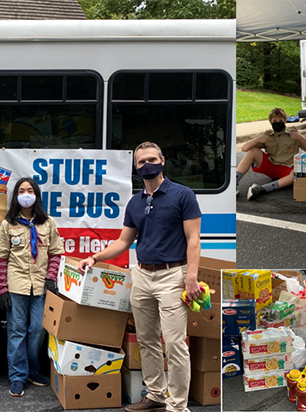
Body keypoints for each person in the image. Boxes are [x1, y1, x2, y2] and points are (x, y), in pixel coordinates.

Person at [77, 141, 202, 412]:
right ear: (135, 167)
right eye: (142, 162)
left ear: (163, 160)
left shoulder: (183, 195)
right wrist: (94, 258)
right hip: (143, 275)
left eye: (152, 159)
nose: (147, 165)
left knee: (175, 343)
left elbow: (194, 239)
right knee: (146, 341)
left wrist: (191, 277)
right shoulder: (135, 201)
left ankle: (178, 406)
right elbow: (123, 241)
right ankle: (156, 394)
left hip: (173, 276)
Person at [0, 177, 63, 397]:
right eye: (21, 190)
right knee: (16, 331)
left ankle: (32, 369)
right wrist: (2, 289)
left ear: (36, 195)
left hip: (41, 286)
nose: (26, 194)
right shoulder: (8, 224)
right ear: (16, 196)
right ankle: (17, 376)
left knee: (38, 331)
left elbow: (55, 253)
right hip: (16, 285)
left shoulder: (48, 223)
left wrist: (51, 278)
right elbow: (2, 259)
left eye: (29, 190)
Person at [235, 108, 306, 200]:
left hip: (288, 168)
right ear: (270, 123)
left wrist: (299, 137)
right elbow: (245, 148)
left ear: (285, 121)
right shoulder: (267, 135)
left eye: (280, 120)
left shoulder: (293, 133)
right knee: (253, 151)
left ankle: (262, 189)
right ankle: (233, 183)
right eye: (274, 121)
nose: (278, 122)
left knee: (298, 173)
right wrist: (258, 139)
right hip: (271, 166)